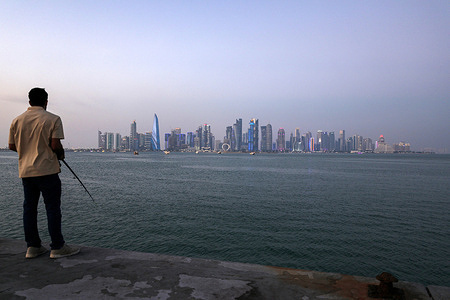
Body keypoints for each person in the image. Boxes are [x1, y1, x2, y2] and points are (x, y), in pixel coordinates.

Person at [9, 87, 80, 259]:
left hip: (26, 172)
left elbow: (12, 146)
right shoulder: (53, 119)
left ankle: (33, 247)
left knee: (29, 209)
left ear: (29, 101)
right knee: (53, 208)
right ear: (46, 102)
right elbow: (55, 145)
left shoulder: (16, 121)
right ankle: (57, 247)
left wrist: (27, 151)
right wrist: (61, 154)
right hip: (47, 171)